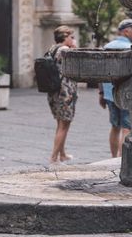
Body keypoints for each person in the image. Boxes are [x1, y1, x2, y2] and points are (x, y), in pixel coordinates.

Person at [99, 19, 132, 158]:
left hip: (109, 94)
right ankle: (122, 158)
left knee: (115, 127)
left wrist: (101, 93)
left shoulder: (107, 46)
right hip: (127, 94)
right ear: (126, 31)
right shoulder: (130, 48)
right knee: (127, 127)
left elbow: (100, 71)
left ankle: (113, 157)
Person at [47, 25, 78, 164]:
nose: (73, 39)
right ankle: (53, 157)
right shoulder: (65, 50)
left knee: (60, 123)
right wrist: (74, 48)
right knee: (64, 125)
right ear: (65, 37)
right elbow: (77, 62)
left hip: (54, 91)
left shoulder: (52, 49)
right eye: (72, 37)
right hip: (65, 92)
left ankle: (62, 154)